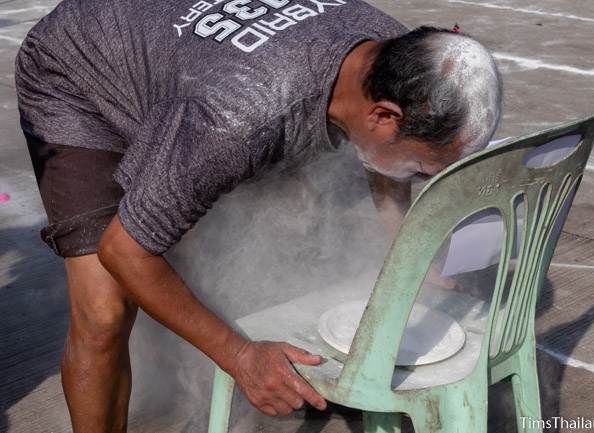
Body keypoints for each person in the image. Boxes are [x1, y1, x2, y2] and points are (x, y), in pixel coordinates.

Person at [15, 0, 502, 431]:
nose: (417, 178)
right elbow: (123, 250)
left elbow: (386, 158)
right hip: (77, 71)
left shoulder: (392, 55)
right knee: (104, 311)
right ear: (383, 116)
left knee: (193, 217)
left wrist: (409, 253)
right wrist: (241, 357)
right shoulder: (239, 117)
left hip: (177, 67)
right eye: (421, 167)